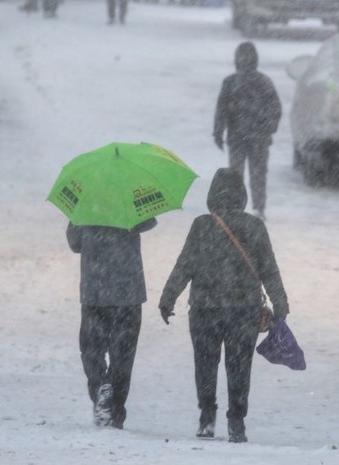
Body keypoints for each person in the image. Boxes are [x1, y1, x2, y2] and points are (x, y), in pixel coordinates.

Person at [158, 168, 289, 443]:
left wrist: (168, 297)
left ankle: (207, 417)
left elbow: (185, 265)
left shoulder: (201, 225)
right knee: (239, 366)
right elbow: (269, 270)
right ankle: (236, 422)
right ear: (241, 196)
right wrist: (280, 302)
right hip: (243, 310)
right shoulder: (254, 227)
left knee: (205, 364)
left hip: (205, 309)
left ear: (211, 196)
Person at [66, 218, 157, 429]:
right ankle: (115, 411)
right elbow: (150, 221)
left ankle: (100, 386)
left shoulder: (86, 205)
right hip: (128, 292)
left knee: (91, 349)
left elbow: (74, 243)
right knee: (123, 355)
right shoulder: (131, 201)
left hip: (94, 290)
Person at [213, 42, 282, 221]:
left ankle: (237, 207)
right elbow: (275, 109)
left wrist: (219, 132)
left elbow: (221, 110)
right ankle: (258, 208)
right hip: (256, 137)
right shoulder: (264, 82)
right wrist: (267, 128)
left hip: (238, 136)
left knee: (237, 174)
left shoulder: (230, 82)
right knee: (257, 173)